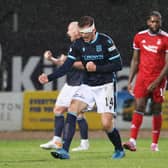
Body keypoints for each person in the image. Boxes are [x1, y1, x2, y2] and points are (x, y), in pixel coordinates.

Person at [39, 16, 125, 159]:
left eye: (86, 33)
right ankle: (64, 150)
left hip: (106, 85)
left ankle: (119, 149)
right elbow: (67, 66)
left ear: (94, 30)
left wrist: (97, 68)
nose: (83, 36)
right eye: (81, 33)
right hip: (87, 85)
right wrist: (49, 77)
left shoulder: (105, 41)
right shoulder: (78, 44)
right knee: (72, 108)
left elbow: (118, 65)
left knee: (106, 124)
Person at [40, 21, 90, 152]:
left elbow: (87, 65)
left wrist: (68, 61)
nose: (67, 32)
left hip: (81, 83)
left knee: (77, 114)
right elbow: (66, 65)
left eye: (69, 30)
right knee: (58, 110)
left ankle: (80, 143)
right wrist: (52, 60)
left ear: (76, 31)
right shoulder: (74, 45)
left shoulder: (86, 45)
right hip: (70, 83)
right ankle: (57, 140)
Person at [123, 11, 168, 152]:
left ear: (161, 22)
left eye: (158, 21)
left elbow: (167, 64)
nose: (155, 24)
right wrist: (130, 80)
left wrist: (157, 81)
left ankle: (154, 144)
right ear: (148, 22)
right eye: (152, 21)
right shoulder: (139, 37)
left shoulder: (166, 38)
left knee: (156, 109)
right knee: (139, 106)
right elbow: (135, 60)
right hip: (142, 78)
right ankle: (132, 141)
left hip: (159, 79)